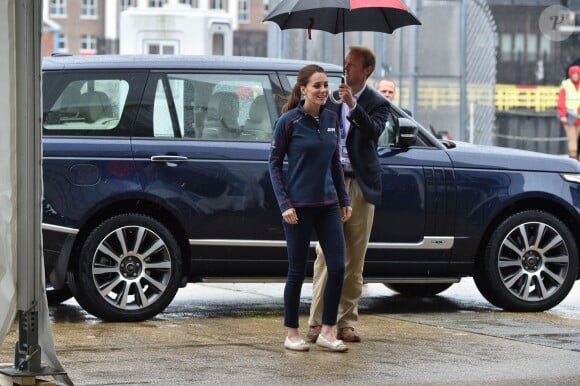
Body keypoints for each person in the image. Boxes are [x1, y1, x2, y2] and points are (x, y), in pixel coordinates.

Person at [308, 46, 390, 343]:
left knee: (355, 259)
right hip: (332, 183)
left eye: (352, 65)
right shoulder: (328, 100)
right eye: (345, 63)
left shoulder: (377, 102)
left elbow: (373, 132)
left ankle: (345, 322)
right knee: (326, 256)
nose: (347, 68)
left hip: (360, 186)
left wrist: (353, 105)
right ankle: (316, 321)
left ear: (366, 70)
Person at [269, 64, 352, 352]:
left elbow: (335, 164)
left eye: (325, 85)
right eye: (317, 85)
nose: (323, 90)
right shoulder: (289, 122)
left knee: (339, 267)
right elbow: (274, 164)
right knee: (296, 271)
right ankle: (292, 332)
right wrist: (284, 204)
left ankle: (328, 330)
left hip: (328, 205)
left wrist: (344, 199)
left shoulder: (331, 118)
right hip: (298, 207)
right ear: (303, 89)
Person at [557, 65, 580, 160]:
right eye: (573, 74)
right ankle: (573, 159)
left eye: (577, 74)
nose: (575, 76)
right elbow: (561, 101)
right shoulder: (566, 85)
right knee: (572, 140)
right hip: (569, 118)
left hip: (579, 117)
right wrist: (562, 115)